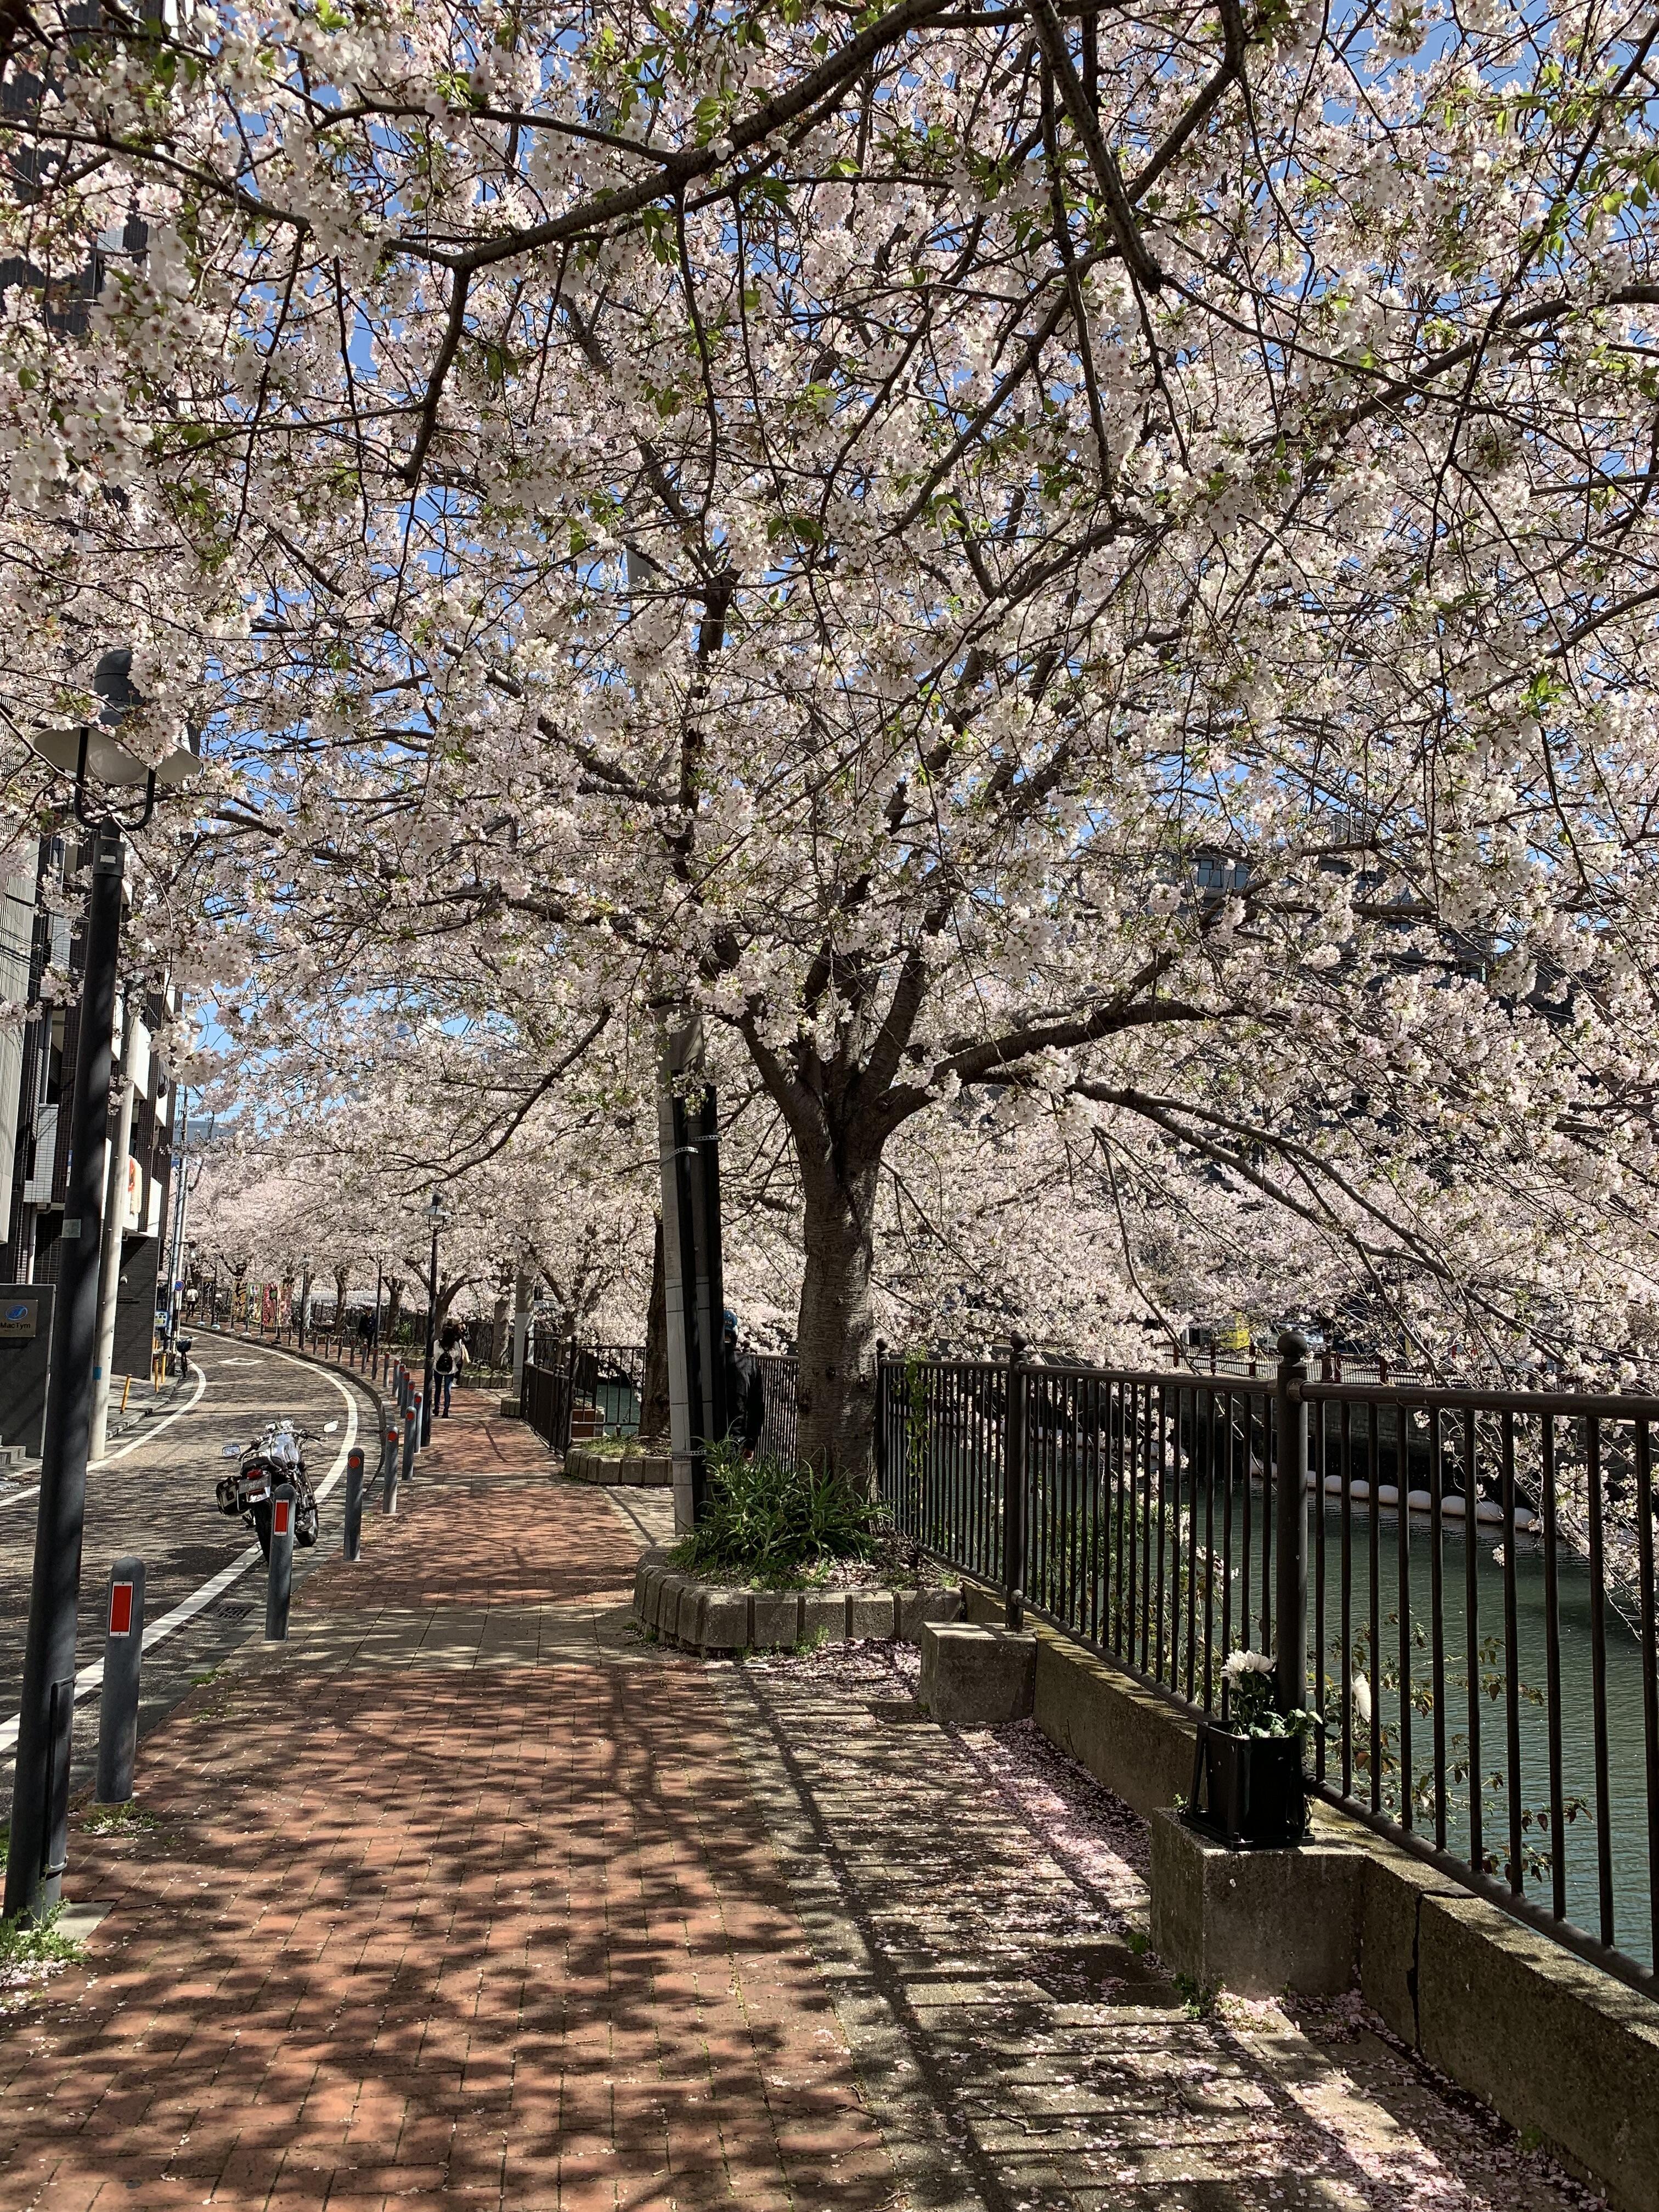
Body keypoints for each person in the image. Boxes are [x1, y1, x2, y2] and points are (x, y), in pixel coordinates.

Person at [720, 1310, 765, 1458]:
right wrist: (751, 1444)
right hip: (736, 1438)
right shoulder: (748, 1364)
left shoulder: (702, 1360)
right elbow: (757, 1408)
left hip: (703, 1437)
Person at [435, 1320, 466, 1416]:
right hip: (451, 1369)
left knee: (438, 1389)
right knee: (447, 1390)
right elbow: (459, 1356)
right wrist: (453, 1362)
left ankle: (437, 1408)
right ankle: (446, 1411)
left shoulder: (437, 1343)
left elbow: (434, 1354)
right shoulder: (454, 1344)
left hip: (438, 1369)